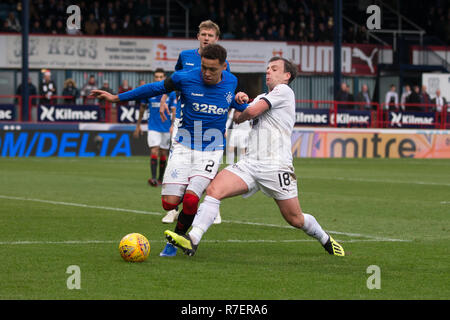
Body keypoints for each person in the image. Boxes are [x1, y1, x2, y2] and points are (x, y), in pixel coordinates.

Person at [164, 56, 345, 257]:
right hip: (250, 164)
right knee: (214, 189)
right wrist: (241, 101)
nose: (268, 71)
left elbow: (251, 113)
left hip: (275, 166)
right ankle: (193, 240)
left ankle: (325, 239)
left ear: (286, 76)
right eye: (267, 68)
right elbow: (241, 117)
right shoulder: (261, 97)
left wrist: (236, 101)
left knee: (295, 219)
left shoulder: (285, 92)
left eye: (274, 69)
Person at [91, 44, 247, 258]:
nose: (207, 73)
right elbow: (153, 88)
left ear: (224, 67)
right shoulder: (184, 78)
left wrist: (243, 101)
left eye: (212, 69)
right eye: (204, 67)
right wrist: (116, 98)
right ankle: (189, 205)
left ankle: (175, 241)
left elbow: (237, 105)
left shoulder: (232, 81)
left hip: (211, 149)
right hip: (183, 145)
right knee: (169, 203)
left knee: (192, 199)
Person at [159, 20, 230, 226]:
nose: (206, 38)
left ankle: (211, 206)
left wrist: (221, 126)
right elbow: (174, 81)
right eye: (203, 34)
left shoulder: (221, 62)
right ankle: (173, 210)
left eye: (211, 35)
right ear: (197, 36)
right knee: (179, 162)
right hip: (185, 120)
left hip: (209, 124)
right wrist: (164, 100)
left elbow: (224, 94)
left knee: (208, 167)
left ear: (217, 39)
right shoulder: (185, 57)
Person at [133, 70, 176, 187]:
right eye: (156, 77)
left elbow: (174, 110)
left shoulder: (170, 93)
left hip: (166, 128)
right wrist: (138, 125)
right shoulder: (149, 92)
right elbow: (142, 109)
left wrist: (173, 125)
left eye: (160, 77)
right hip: (153, 127)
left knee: (163, 153)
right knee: (154, 150)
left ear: (164, 77)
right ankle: (153, 179)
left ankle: (160, 179)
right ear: (154, 78)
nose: (158, 79)